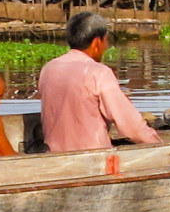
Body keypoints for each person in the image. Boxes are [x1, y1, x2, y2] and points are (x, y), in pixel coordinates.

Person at [38, 12, 161, 152]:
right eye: (106, 41)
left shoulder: (49, 69)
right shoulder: (98, 72)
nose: (106, 46)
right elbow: (131, 127)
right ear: (97, 42)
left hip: (54, 155)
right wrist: (156, 143)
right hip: (94, 158)